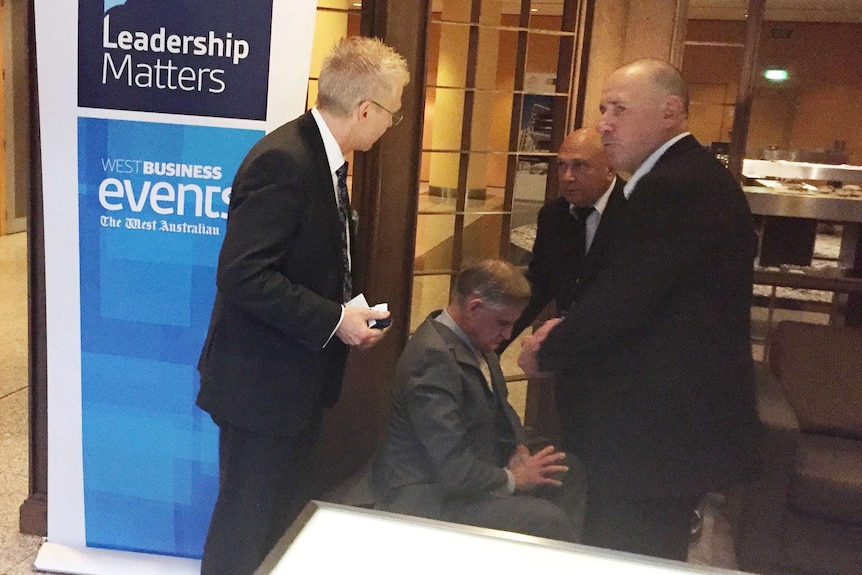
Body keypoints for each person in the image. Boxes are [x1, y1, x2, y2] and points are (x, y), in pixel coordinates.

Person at [518, 58, 762, 561]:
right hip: (668, 429)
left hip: (656, 436)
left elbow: (622, 303)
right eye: (604, 108)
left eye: (620, 109)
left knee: (629, 552)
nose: (605, 122)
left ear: (671, 111)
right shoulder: (686, 178)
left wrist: (550, 347)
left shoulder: (672, 188)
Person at [195, 36, 409, 575]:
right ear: (366, 109)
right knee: (243, 529)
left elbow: (305, 256)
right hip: (260, 387)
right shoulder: (285, 161)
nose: (392, 124)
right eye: (393, 112)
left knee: (276, 522)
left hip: (292, 382)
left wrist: (346, 306)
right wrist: (335, 320)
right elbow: (243, 274)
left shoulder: (321, 157)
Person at [373, 259, 579, 543]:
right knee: (545, 519)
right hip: (432, 497)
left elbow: (503, 410)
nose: (508, 335)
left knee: (569, 473)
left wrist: (519, 448)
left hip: (471, 478)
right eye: (503, 323)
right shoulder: (431, 358)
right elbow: (452, 468)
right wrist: (513, 478)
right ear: (474, 307)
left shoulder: (479, 342)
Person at [499, 127, 625, 352]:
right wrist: (497, 340)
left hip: (620, 348)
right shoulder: (553, 215)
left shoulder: (638, 212)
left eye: (580, 166)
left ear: (610, 169)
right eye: (561, 166)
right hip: (569, 345)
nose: (567, 177)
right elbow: (540, 284)